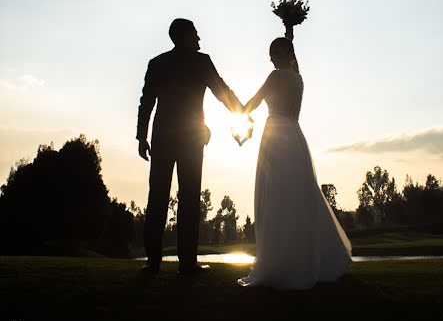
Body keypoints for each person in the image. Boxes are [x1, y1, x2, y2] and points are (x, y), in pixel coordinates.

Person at [237, 37, 352, 289]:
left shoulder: (276, 77)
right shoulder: (298, 77)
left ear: (287, 52)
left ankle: (282, 261)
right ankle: (307, 258)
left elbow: (254, 102)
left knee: (278, 197)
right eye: (270, 52)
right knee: (299, 196)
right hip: (295, 137)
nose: (271, 57)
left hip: (276, 138)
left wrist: (239, 115)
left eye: (276, 51)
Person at [136, 18, 243, 275]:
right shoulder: (201, 61)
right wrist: (242, 111)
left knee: (158, 197)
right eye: (195, 34)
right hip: (192, 138)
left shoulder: (158, 63)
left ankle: (153, 263)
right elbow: (222, 91)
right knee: (190, 198)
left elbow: (146, 102)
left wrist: (142, 136)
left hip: (162, 137)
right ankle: (187, 263)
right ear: (185, 36)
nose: (199, 39)